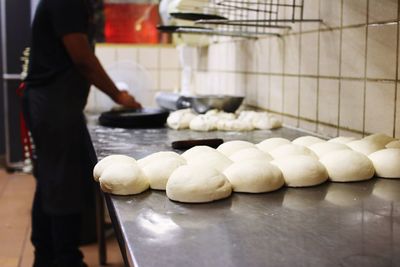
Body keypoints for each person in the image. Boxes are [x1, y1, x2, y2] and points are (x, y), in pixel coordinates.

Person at [22, 0, 142, 266]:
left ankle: (45, 257)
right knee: (61, 183)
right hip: (53, 103)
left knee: (51, 181)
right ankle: (66, 259)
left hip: (55, 102)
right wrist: (119, 94)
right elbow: (83, 59)